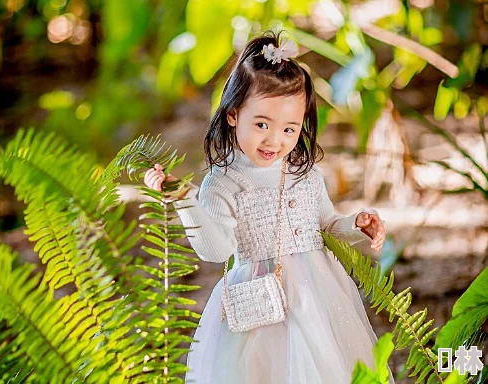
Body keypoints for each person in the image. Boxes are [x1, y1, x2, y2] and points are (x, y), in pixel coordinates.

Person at [144, 30, 394, 384]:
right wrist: (183, 199)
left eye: (290, 129)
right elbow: (216, 250)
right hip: (259, 307)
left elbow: (324, 226)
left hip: (318, 298)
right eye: (262, 124)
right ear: (233, 115)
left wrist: (356, 225)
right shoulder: (224, 181)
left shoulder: (304, 173)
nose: (275, 140)